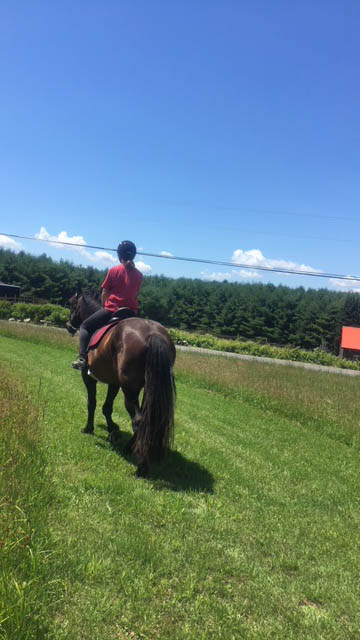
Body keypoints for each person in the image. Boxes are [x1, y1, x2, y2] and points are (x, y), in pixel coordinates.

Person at [71, 240, 143, 370]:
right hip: (131, 313)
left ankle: (82, 358)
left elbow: (105, 292)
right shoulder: (139, 275)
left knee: (85, 326)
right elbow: (135, 293)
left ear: (119, 255)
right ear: (133, 255)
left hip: (113, 310)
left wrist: (105, 306)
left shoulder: (114, 270)